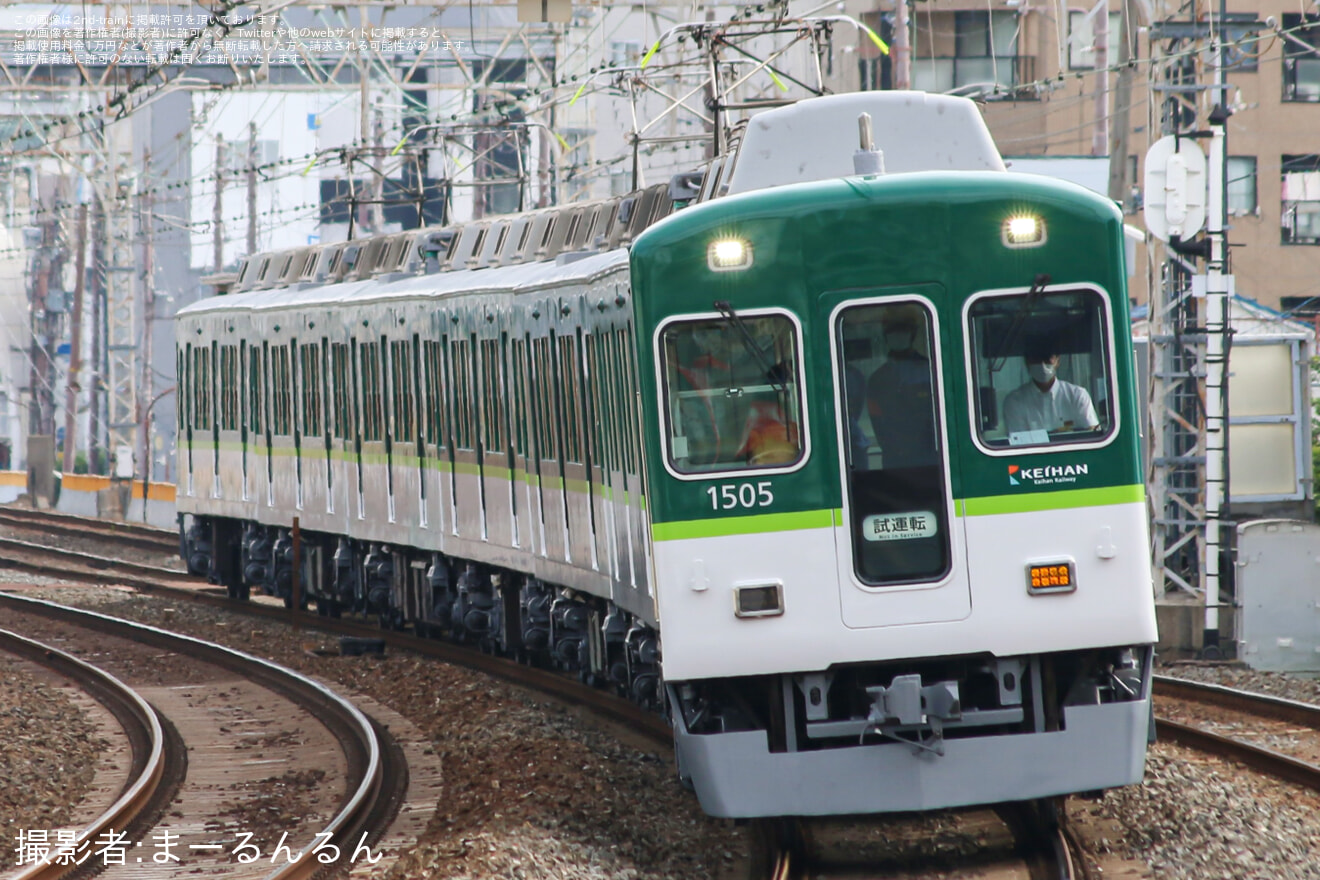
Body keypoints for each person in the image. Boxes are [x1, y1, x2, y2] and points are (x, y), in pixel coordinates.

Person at [866, 307, 938, 469]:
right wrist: (893, 449)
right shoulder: (877, 379)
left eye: (902, 330)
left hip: (930, 455)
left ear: (912, 333)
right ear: (885, 336)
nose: (897, 335)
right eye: (892, 331)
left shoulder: (931, 370)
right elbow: (877, 423)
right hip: (894, 460)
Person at [1002, 338, 1099, 437]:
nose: (1042, 364)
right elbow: (1018, 441)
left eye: (1047, 358)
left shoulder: (1077, 395)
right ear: (1027, 362)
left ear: (1057, 361)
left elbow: (1092, 432)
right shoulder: (1014, 401)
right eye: (1036, 359)